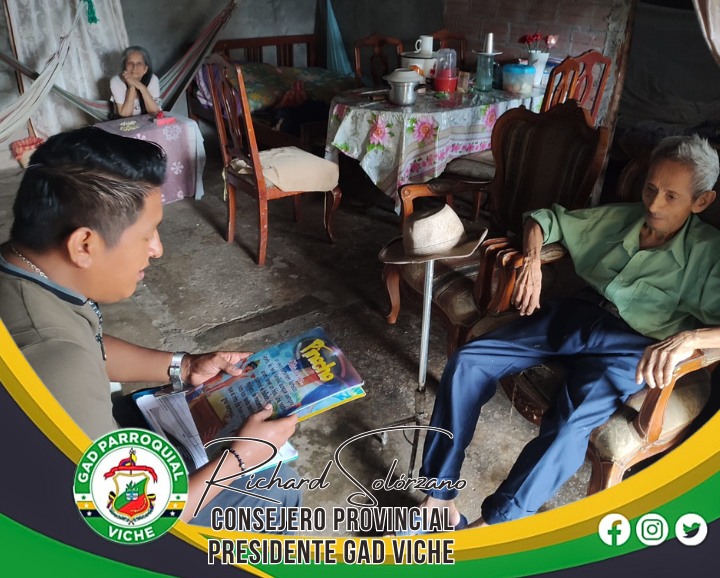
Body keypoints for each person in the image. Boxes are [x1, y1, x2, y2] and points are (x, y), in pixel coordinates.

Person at [413, 134, 720, 530]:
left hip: (631, 348)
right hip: (577, 316)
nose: (654, 204)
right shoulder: (622, 218)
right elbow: (545, 219)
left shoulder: (709, 254)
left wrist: (690, 338)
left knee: (570, 425)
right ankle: (438, 497)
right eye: (650, 188)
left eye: (671, 196)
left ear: (702, 201)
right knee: (469, 362)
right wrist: (533, 261)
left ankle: (491, 527)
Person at [0, 127, 299, 527]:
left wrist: (185, 366)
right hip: (77, 519)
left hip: (73, 442)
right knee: (277, 486)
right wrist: (240, 458)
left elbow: (89, 345)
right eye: (146, 235)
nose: (157, 249)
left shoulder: (23, 270)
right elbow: (122, 523)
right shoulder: (54, 358)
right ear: (84, 245)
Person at [110, 46, 161, 117]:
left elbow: (155, 112)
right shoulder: (116, 81)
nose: (134, 68)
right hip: (125, 123)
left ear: (145, 69)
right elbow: (125, 116)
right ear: (124, 67)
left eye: (139, 63)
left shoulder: (152, 79)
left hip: (148, 121)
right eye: (130, 63)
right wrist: (131, 88)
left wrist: (142, 88)